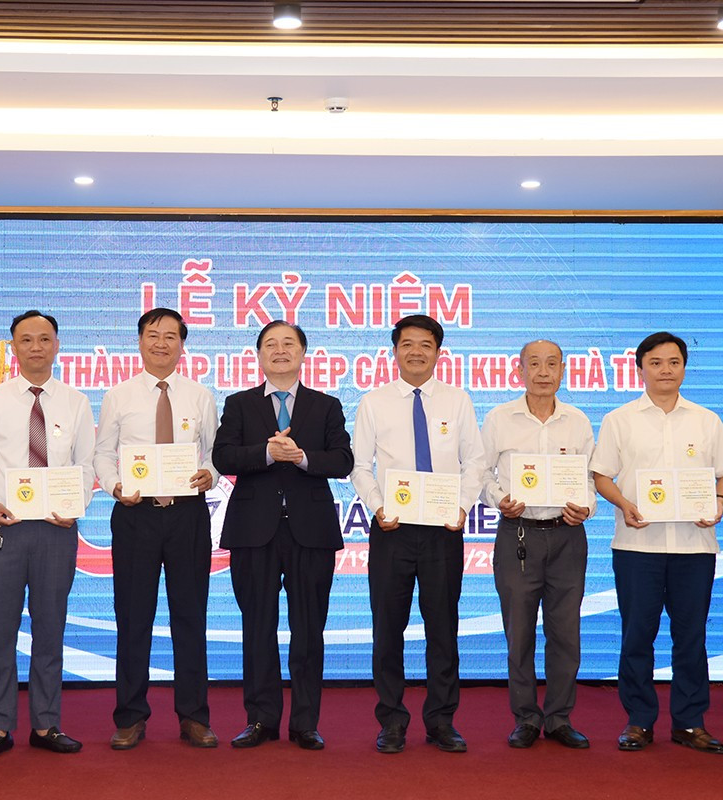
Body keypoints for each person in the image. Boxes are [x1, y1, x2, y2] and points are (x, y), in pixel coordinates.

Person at [591, 331, 723, 755]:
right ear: (640, 368)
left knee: (691, 637)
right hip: (637, 546)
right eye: (655, 363)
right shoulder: (620, 419)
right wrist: (624, 503)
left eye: (674, 362)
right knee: (637, 636)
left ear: (684, 368)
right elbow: (601, 475)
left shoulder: (706, 420)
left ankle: (690, 722)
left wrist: (718, 501)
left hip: (695, 546)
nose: (665, 370)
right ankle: (639, 720)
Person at [213, 321, 353, 751]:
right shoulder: (239, 404)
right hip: (254, 531)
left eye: (288, 343)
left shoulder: (326, 405)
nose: (279, 350)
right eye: (270, 344)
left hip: (311, 532)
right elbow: (222, 456)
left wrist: (303, 457)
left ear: (303, 353)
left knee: (309, 630)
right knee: (257, 627)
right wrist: (267, 453)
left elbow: (343, 460)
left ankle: (305, 723)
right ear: (258, 355)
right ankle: (260, 719)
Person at [350, 314, 484, 755]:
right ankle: (391, 720)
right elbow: (359, 466)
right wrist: (378, 506)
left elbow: (475, 462)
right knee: (388, 629)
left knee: (442, 628)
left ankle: (441, 721)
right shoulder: (374, 402)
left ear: (438, 352)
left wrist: (462, 507)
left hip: (443, 530)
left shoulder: (457, 401)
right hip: (392, 530)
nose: (416, 352)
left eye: (426, 344)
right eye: (407, 344)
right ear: (394, 351)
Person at [0, 310, 95, 759]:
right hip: (5, 528)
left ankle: (46, 723)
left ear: (57, 345)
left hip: (56, 532)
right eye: (26, 339)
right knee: (0, 632)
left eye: (44, 339)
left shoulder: (76, 402)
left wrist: (74, 505)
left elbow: (86, 466)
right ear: (13, 347)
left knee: (50, 629)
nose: (36, 347)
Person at [93, 308, 218, 750]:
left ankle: (194, 717)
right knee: (132, 617)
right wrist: (115, 486)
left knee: (190, 617)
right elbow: (103, 453)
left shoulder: (200, 395)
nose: (161, 343)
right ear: (140, 341)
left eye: (170, 336)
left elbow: (213, 453)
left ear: (183, 344)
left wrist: (210, 474)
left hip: (187, 516)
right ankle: (130, 717)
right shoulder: (119, 395)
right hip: (136, 515)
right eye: (152, 335)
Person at [479, 339, 594, 750]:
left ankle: (559, 718)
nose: (543, 372)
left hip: (567, 536)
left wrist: (587, 506)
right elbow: (480, 473)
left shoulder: (577, 421)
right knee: (520, 633)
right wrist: (499, 499)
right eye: (534, 364)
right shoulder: (499, 419)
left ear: (563, 370)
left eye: (551, 364)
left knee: (566, 633)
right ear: (520, 370)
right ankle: (526, 717)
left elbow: (588, 477)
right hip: (518, 535)